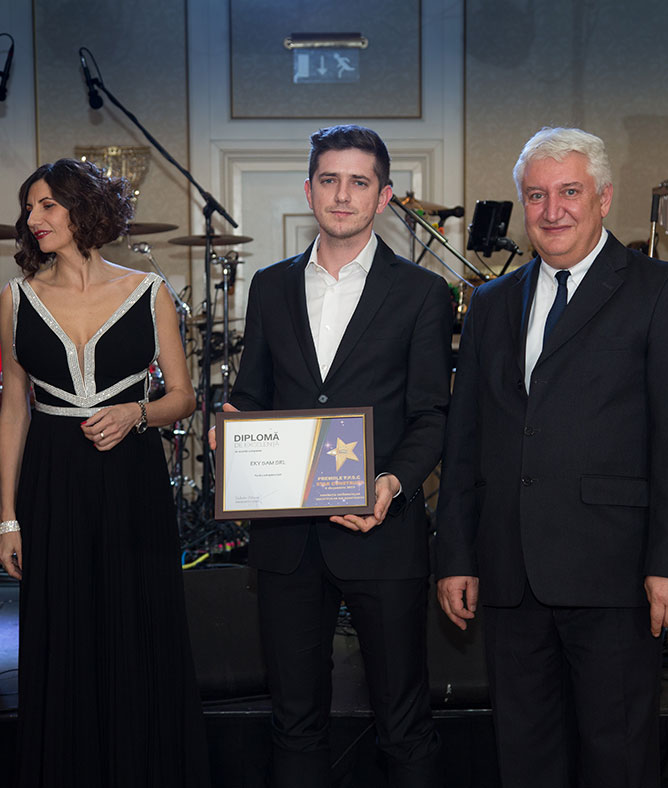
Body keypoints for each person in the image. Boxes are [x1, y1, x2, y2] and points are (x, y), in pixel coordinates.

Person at [435, 127, 668, 788]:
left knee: (618, 757)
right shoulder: (492, 303)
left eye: (569, 192)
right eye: (536, 195)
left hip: (617, 573)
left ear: (603, 199)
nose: (552, 210)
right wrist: (456, 556)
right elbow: (466, 439)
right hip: (510, 575)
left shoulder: (662, 290)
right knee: (525, 757)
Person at [214, 125, 453, 786]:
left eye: (358, 182)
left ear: (383, 196)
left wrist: (391, 483)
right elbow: (250, 393)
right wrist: (232, 426)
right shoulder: (270, 286)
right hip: (287, 541)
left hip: (383, 532)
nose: (342, 195)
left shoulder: (422, 293)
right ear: (309, 189)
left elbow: (432, 415)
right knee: (293, 721)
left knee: (404, 723)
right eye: (329, 180)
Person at [0, 158, 209, 787]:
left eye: (47, 205)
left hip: (130, 480)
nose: (34, 219)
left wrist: (136, 413)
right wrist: (8, 516)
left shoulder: (149, 290)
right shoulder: (16, 298)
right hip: (52, 481)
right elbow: (14, 410)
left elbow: (183, 397)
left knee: (136, 629)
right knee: (61, 637)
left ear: (84, 209)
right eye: (29, 208)